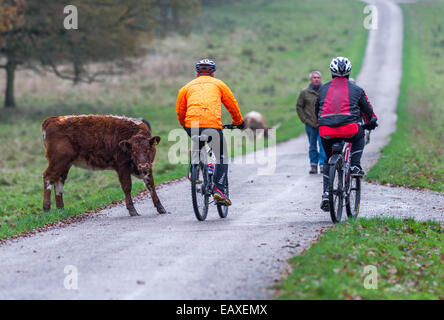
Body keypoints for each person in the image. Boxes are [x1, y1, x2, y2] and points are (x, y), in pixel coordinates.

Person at [176, 59, 244, 206]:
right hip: (212, 125)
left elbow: (180, 111)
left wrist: (184, 125)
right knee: (221, 155)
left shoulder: (186, 87)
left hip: (191, 125)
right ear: (212, 73)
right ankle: (218, 190)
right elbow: (232, 105)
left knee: (198, 143)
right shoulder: (219, 84)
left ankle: (195, 170)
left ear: (197, 73)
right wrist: (238, 122)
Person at [315, 57, 378, 211]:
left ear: (332, 72)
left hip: (326, 130)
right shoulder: (357, 89)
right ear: (349, 72)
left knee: (327, 159)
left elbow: (317, 111)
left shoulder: (322, 89)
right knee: (360, 134)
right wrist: (372, 122)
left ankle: (325, 193)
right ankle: (355, 165)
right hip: (349, 129)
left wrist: (322, 121)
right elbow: (368, 111)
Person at [296, 71, 326, 174]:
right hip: (310, 124)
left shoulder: (324, 90)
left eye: (318, 77)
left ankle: (322, 165)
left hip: (322, 124)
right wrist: (304, 119)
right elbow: (299, 106)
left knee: (323, 144)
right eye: (314, 78)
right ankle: (313, 165)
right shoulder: (304, 92)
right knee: (312, 145)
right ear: (311, 80)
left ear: (320, 79)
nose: (316, 79)